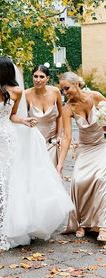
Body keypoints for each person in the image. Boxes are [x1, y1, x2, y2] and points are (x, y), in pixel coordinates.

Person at [0, 56, 73, 251]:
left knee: (5, 188)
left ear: (5, 71)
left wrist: (24, 122)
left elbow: (11, 116)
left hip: (8, 143)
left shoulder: (16, 91)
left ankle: (4, 231)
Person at [58, 72, 106, 241]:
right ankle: (82, 223)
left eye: (67, 88)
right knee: (78, 181)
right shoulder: (67, 109)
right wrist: (60, 165)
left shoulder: (96, 96)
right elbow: (66, 137)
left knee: (101, 179)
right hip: (85, 149)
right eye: (62, 89)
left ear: (77, 84)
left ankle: (102, 226)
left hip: (101, 146)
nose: (65, 92)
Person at [25, 65, 62, 167]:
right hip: (34, 142)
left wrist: (59, 135)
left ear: (47, 78)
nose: (38, 80)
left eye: (41, 77)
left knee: (52, 174)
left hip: (52, 142)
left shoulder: (55, 92)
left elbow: (60, 115)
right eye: (35, 76)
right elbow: (23, 118)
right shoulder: (26, 94)